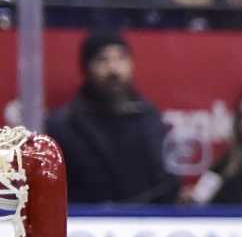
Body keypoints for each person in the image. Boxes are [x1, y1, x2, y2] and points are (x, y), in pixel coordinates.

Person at [46, 31, 177, 202]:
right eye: (102, 60)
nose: (113, 69)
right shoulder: (64, 126)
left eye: (121, 58)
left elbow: (161, 181)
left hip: (146, 222)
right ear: (86, 68)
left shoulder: (149, 118)